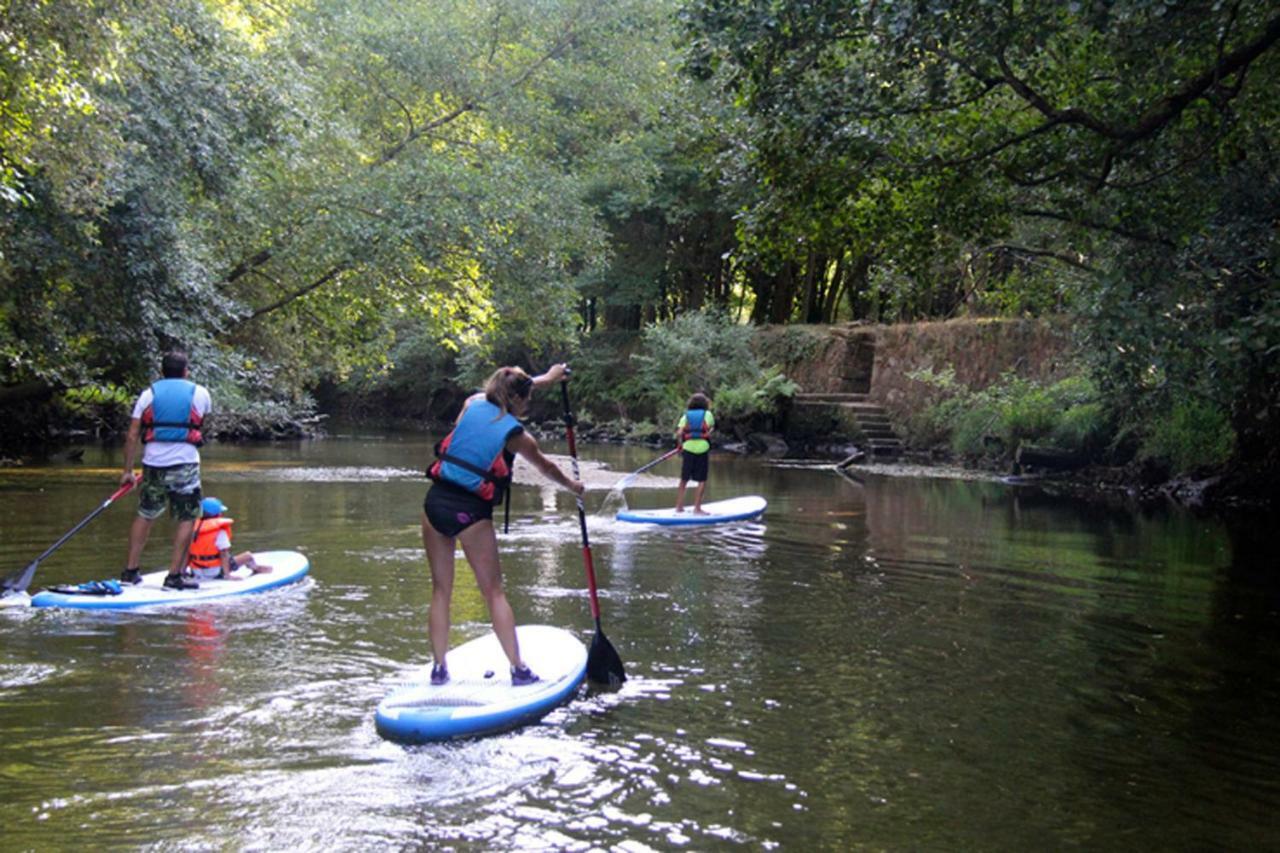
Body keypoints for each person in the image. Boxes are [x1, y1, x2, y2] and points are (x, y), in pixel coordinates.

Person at [422, 363, 583, 687]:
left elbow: (502, 392)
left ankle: (439, 668)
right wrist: (572, 486)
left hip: (434, 502)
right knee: (494, 593)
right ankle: (519, 669)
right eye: (527, 400)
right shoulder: (517, 435)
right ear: (519, 401)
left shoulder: (472, 404)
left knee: (441, 591)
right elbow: (546, 467)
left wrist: (547, 379)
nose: (528, 406)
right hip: (469, 512)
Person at [119, 350, 212, 591]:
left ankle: (130, 571)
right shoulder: (200, 393)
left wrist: (128, 471)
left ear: (162, 371)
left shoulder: (148, 394)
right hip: (186, 464)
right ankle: (174, 576)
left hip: (153, 464)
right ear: (186, 371)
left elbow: (132, 435)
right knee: (187, 517)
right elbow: (202, 423)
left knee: (146, 513)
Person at [186, 496, 274, 580]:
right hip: (216, 572)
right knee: (248, 555)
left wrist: (182, 571)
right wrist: (227, 575)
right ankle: (255, 568)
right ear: (218, 514)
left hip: (196, 571)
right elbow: (223, 554)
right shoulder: (219, 532)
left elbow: (187, 553)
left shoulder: (192, 529)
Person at [674, 392, 715, 514]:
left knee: (684, 478)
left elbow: (679, 433)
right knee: (701, 479)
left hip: (688, 448)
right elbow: (710, 428)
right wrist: (709, 432)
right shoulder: (708, 414)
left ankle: (679, 506)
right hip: (703, 448)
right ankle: (697, 508)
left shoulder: (685, 416)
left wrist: (680, 445)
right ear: (705, 404)